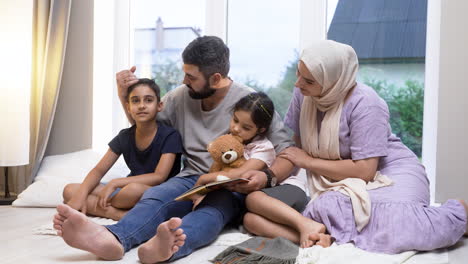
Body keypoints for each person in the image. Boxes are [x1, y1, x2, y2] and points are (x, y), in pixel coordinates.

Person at [53, 36, 295, 263]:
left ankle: (167, 247)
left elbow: (288, 153)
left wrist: (265, 176)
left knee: (211, 213)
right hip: (191, 177)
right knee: (155, 197)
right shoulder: (180, 96)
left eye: (191, 76)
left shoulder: (250, 103)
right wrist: (123, 95)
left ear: (215, 78)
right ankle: (114, 238)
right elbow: (144, 126)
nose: (183, 81)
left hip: (231, 186)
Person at [241, 39, 468, 254]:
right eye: (299, 74)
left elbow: (365, 171)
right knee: (252, 219)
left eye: (308, 80)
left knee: (397, 222)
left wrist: (308, 162)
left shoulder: (367, 102)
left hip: (387, 171)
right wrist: (269, 176)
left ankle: (458, 211)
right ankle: (313, 230)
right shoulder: (304, 95)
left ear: (334, 80)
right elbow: (296, 151)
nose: (298, 83)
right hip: (328, 175)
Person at [62, 78, 182, 220]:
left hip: (155, 191)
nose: (142, 105)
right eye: (135, 101)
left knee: (133, 190)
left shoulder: (170, 135)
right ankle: (115, 213)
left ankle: (103, 207)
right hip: (125, 190)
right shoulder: (124, 136)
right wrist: (80, 196)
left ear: (159, 105)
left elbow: (158, 177)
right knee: (70, 190)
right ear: (128, 107)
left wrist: (114, 183)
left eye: (148, 100)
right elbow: (99, 170)